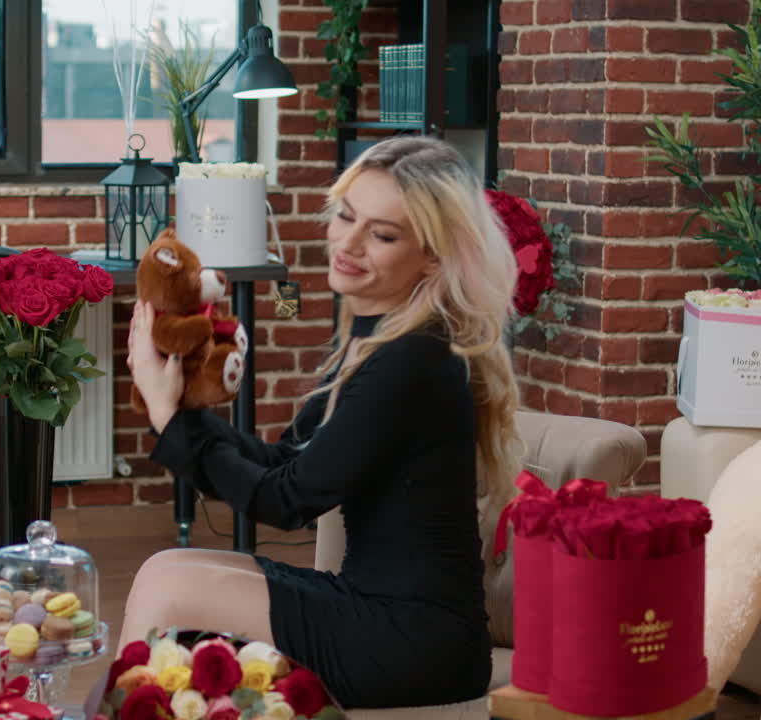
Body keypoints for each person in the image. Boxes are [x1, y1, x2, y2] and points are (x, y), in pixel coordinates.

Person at [120, 135, 522, 708]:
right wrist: (180, 410)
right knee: (165, 567)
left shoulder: (414, 359)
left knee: (175, 588)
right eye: (346, 216)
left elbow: (287, 501)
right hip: (379, 607)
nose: (349, 243)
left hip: (417, 640)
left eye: (382, 235)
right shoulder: (378, 338)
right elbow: (287, 461)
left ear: (433, 255)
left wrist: (167, 417)